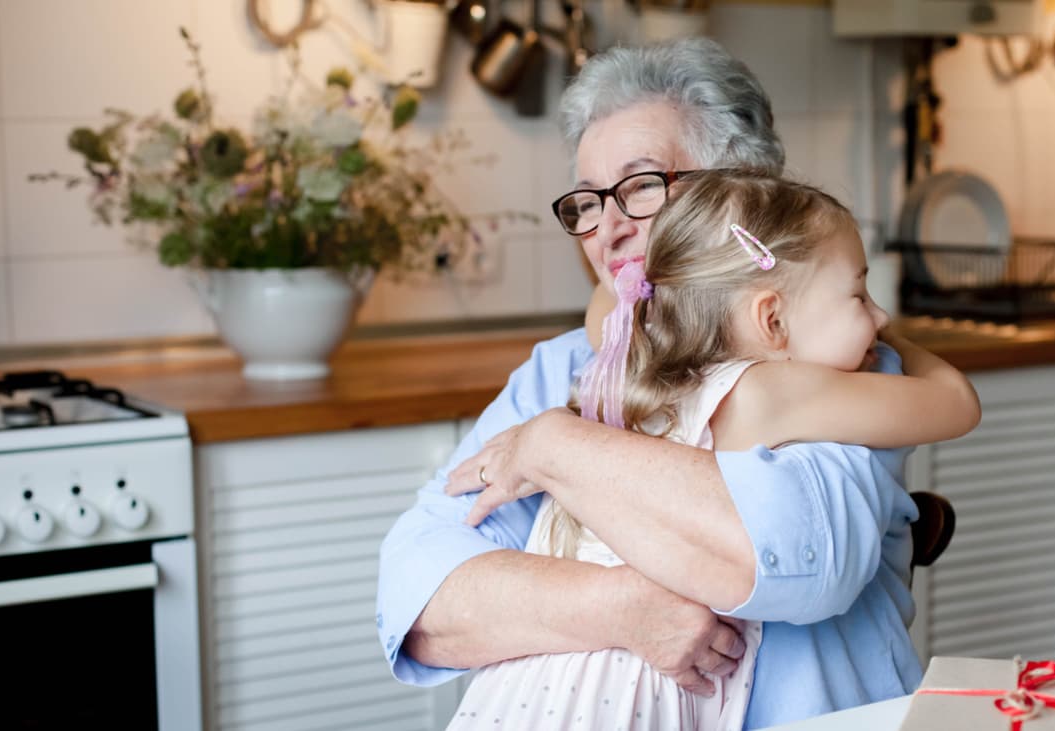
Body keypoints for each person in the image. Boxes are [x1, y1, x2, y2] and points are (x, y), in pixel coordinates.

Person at [377, 38, 971, 729]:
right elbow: (421, 595)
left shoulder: (835, 364)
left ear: (748, 199)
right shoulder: (564, 368)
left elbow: (795, 560)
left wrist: (553, 449)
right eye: (589, 202)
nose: (608, 229)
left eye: (641, 185)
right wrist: (619, 608)